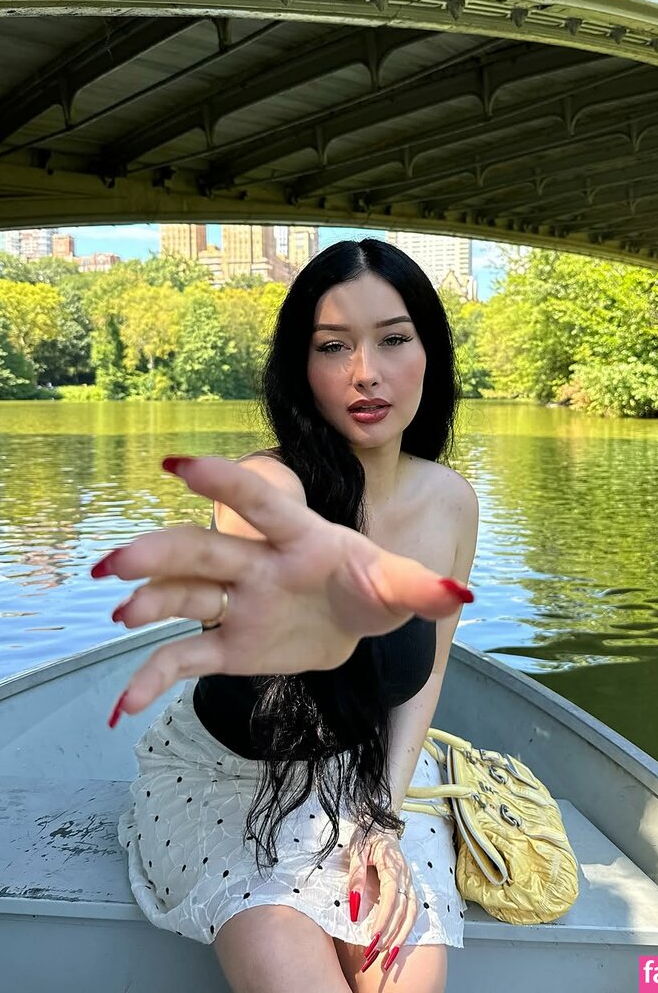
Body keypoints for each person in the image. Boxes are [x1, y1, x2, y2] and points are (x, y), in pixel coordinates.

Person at [98, 239, 479, 993]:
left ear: (429, 355)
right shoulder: (265, 488)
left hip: (369, 778)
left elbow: (427, 675)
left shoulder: (452, 503)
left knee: (408, 979)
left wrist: (381, 819)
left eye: (393, 339)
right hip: (229, 779)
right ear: (301, 369)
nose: (365, 372)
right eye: (333, 347)